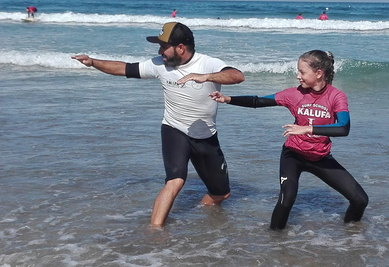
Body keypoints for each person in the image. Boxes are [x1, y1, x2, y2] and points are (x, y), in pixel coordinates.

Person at [71, 22, 245, 227]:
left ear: (181, 47)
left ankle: (202, 218)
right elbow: (125, 68)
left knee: (221, 194)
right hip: (174, 130)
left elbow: (237, 75)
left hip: (206, 136)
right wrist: (93, 62)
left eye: (164, 46)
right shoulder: (160, 64)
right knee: (175, 181)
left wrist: (205, 77)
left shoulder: (207, 64)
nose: (159, 51)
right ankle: (154, 231)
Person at [210, 50, 368, 230]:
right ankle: (275, 243)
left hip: (320, 157)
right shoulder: (294, 94)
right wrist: (227, 99)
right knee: (287, 200)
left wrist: (307, 128)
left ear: (318, 73)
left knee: (360, 200)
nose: (297, 76)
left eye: (302, 72)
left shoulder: (336, 96)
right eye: (298, 71)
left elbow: (343, 128)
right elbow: (258, 101)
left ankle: (350, 237)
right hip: (293, 155)